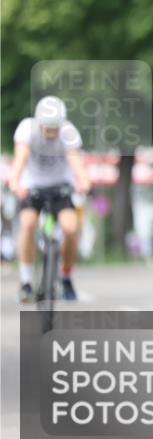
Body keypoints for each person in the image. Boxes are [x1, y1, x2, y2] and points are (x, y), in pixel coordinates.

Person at [7, 96, 91, 303]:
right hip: (32, 185)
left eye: (55, 128)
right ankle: (26, 282)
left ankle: (66, 278)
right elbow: (20, 158)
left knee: (70, 229)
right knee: (27, 224)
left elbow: (75, 161)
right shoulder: (27, 130)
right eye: (47, 128)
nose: (51, 133)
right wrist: (15, 182)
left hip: (60, 186)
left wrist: (83, 181)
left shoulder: (68, 134)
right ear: (39, 123)